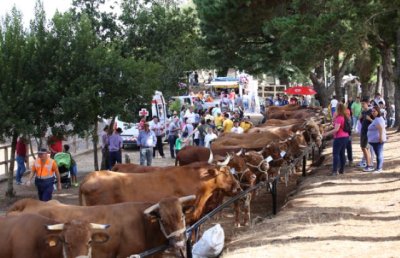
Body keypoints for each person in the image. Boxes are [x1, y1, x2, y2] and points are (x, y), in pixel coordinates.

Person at [323, 103, 350, 175]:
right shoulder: (344, 117)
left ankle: (335, 171)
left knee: (336, 154)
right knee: (342, 154)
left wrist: (327, 133)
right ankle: (342, 170)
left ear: (338, 109)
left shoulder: (339, 118)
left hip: (339, 138)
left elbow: (336, 129)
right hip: (345, 137)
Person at [366, 106, 387, 172]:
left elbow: (380, 129)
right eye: (372, 111)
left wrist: (380, 138)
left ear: (378, 111)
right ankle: (378, 167)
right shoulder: (377, 118)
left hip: (378, 140)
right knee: (378, 154)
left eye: (374, 111)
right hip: (375, 140)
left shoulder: (378, 119)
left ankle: (379, 168)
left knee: (379, 154)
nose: (373, 112)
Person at [359, 99, 374, 171]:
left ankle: (369, 165)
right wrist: (360, 118)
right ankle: (368, 163)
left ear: (368, 103)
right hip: (363, 131)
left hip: (368, 132)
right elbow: (361, 121)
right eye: (361, 104)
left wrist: (370, 119)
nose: (362, 105)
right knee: (364, 148)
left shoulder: (371, 111)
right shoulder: (363, 112)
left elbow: (375, 123)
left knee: (365, 148)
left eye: (363, 104)